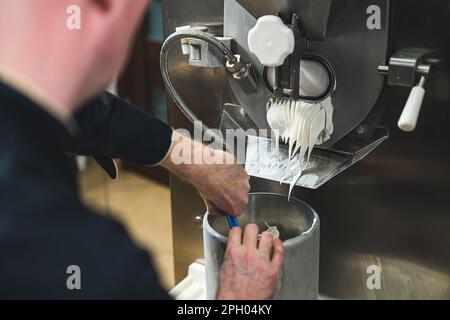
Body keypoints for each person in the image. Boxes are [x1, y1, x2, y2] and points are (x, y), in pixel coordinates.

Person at [0, 0, 283, 299]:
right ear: (109, 7)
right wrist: (240, 297)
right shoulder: (88, 264)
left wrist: (195, 160)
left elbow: (78, 111)